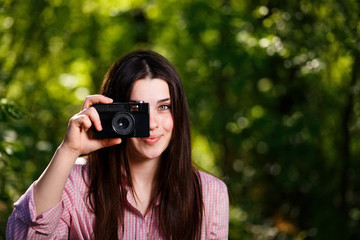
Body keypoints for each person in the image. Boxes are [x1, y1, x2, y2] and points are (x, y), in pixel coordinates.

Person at [6, 50, 229, 239]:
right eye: (137, 111)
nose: (152, 124)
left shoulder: (210, 193)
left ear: (178, 112)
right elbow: (25, 235)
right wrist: (68, 150)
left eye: (164, 107)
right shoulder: (73, 183)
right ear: (115, 113)